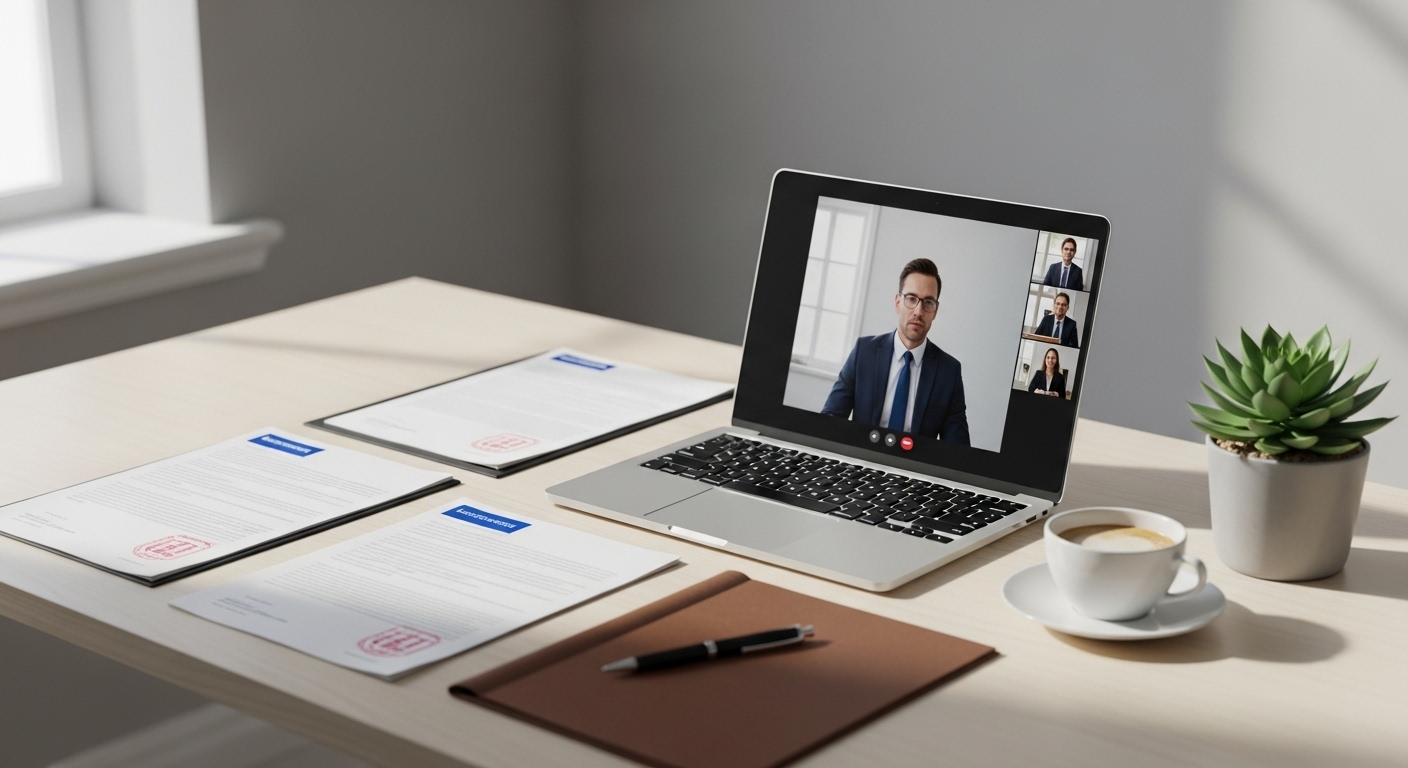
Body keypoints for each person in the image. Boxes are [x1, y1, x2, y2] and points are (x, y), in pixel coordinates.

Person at [820, 258, 970, 445]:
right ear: (898, 302)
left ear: (935, 310)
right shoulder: (863, 353)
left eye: (928, 302)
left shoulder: (949, 372)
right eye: (911, 299)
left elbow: (958, 450)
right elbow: (829, 420)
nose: (918, 311)